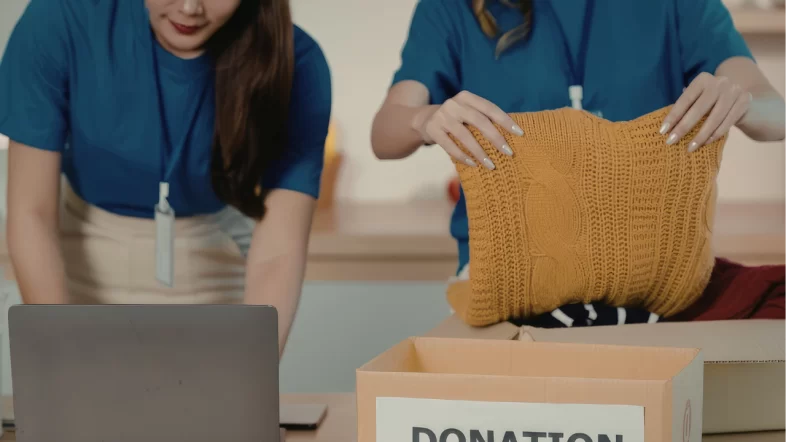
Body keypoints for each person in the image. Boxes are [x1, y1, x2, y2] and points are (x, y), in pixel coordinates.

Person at [0, 0, 332, 355]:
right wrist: (59, 358)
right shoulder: (59, 18)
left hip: (214, 270)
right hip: (75, 271)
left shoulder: (297, 62)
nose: (190, 8)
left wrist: (252, 374)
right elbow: (30, 214)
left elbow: (277, 253)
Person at [372, 0, 786, 283]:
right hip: (506, 283)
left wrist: (740, 100)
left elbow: (775, 115)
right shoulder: (451, 8)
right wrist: (425, 119)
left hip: (651, 279)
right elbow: (384, 133)